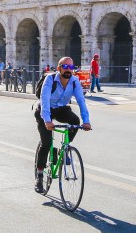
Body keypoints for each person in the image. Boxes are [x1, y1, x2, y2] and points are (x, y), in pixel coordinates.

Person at [34, 57, 92, 193]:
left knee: (75, 122)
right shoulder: (50, 79)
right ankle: (39, 175)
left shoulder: (74, 82)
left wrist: (86, 121)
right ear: (59, 68)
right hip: (44, 110)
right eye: (65, 67)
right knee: (46, 143)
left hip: (61, 109)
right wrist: (47, 121)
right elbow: (45, 99)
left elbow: (81, 101)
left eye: (71, 67)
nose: (68, 70)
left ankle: (64, 148)